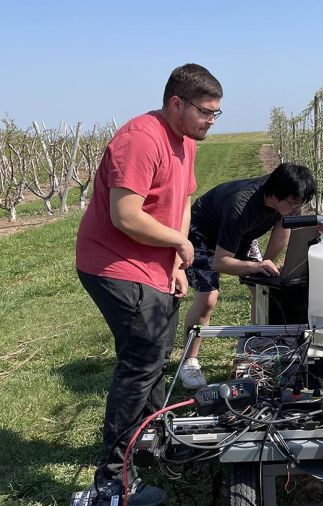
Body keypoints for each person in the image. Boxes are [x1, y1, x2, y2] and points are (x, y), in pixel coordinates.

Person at [76, 63, 222, 505]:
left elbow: (182, 200)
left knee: (157, 353)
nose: (211, 121)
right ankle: (112, 482)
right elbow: (126, 215)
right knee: (141, 362)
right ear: (176, 102)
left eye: (217, 113)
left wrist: (177, 261)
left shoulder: (186, 142)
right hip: (114, 265)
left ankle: (154, 438)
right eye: (205, 111)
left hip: (155, 265)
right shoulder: (141, 138)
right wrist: (179, 241)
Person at [179, 162, 316, 388]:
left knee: (266, 286)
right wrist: (252, 267)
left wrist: (264, 267)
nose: (296, 208)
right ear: (276, 194)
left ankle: (258, 344)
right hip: (203, 235)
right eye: (293, 203)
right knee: (208, 297)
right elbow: (221, 262)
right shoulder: (240, 206)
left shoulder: (289, 200)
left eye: (299, 204)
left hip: (242, 234)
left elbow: (281, 236)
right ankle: (189, 361)